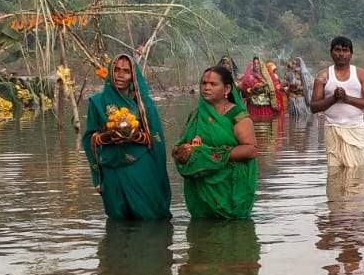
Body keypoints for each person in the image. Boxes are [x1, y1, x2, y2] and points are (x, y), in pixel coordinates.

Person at [81, 54, 171, 220]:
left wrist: (135, 136)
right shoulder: (97, 102)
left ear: (133, 76)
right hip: (111, 168)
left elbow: (155, 139)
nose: (120, 75)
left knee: (149, 218)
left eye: (126, 71)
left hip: (140, 166)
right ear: (110, 72)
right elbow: (90, 138)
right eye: (116, 70)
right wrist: (107, 137)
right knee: (117, 220)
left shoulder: (143, 103)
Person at [172, 65, 259, 219]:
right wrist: (182, 151)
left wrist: (210, 155)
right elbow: (181, 144)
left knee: (233, 235)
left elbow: (251, 150)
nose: (206, 88)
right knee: (201, 235)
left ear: (226, 89)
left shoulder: (237, 115)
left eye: (213, 84)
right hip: (200, 185)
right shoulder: (195, 115)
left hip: (229, 186)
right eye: (204, 83)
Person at [309, 36, 364, 169]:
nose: (341, 54)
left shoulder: (361, 74)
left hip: (355, 128)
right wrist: (334, 98)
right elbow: (314, 107)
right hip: (332, 129)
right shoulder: (323, 76)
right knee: (334, 171)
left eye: (345, 50)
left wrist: (346, 98)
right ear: (331, 53)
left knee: (357, 170)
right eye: (337, 50)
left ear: (351, 54)